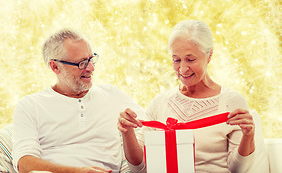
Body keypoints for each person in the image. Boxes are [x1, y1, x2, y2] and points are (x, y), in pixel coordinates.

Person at [118, 20, 265, 172]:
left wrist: (248, 136)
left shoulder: (231, 102)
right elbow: (139, 169)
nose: (182, 68)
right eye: (176, 60)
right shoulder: (160, 103)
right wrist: (127, 133)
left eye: (190, 59)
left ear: (209, 56)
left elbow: (238, 170)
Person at [12, 29, 144, 173]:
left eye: (91, 59)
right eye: (82, 63)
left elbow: (154, 128)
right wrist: (78, 171)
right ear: (55, 66)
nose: (91, 68)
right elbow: (24, 164)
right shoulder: (30, 106)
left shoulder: (111, 95)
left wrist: (128, 129)